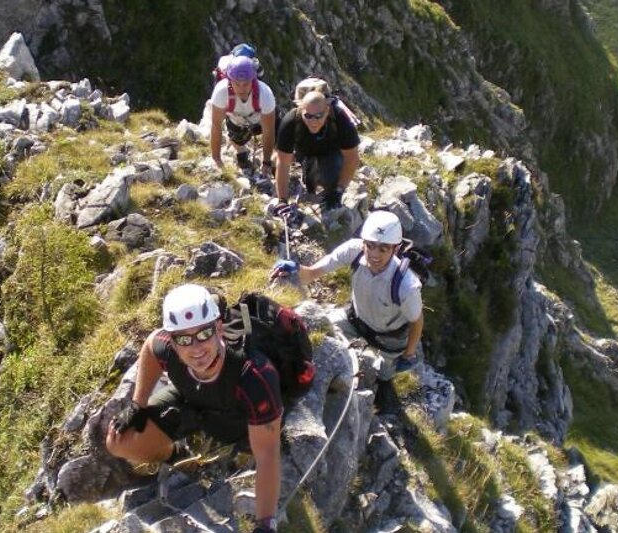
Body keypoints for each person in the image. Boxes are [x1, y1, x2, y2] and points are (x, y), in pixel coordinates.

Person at [106, 284, 283, 532]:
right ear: (174, 341)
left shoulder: (253, 377)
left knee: (255, 445)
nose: (196, 347)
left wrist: (266, 523)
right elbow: (150, 345)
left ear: (219, 329)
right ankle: (177, 457)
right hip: (193, 401)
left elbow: (267, 454)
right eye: (184, 339)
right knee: (120, 442)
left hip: (236, 420)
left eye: (204, 334)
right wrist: (138, 403)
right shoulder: (166, 346)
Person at [269, 211, 423, 413]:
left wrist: (409, 354)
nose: (375, 254)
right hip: (354, 320)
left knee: (385, 372)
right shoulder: (353, 251)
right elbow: (313, 273)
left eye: (383, 249)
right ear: (363, 243)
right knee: (320, 327)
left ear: (395, 249)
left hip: (390, 339)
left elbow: (417, 321)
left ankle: (384, 385)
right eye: (370, 245)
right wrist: (295, 269)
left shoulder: (406, 285)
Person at [274, 87, 360, 211]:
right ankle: (309, 170)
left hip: (332, 152)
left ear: (327, 111)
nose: (313, 121)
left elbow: (352, 158)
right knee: (307, 183)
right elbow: (282, 161)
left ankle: (331, 186)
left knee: (330, 181)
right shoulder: (290, 121)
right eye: (308, 116)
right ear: (301, 110)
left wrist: (338, 191)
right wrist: (282, 200)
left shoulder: (341, 119)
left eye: (318, 116)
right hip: (304, 152)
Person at [210, 55, 278, 176]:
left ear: (253, 80)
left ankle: (276, 159)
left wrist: (266, 162)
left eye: (246, 84)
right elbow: (216, 126)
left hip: (261, 121)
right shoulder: (221, 92)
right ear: (230, 81)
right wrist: (216, 159)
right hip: (238, 123)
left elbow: (269, 131)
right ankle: (241, 149)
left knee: (280, 137)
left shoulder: (265, 94)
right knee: (238, 140)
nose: (241, 88)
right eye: (237, 84)